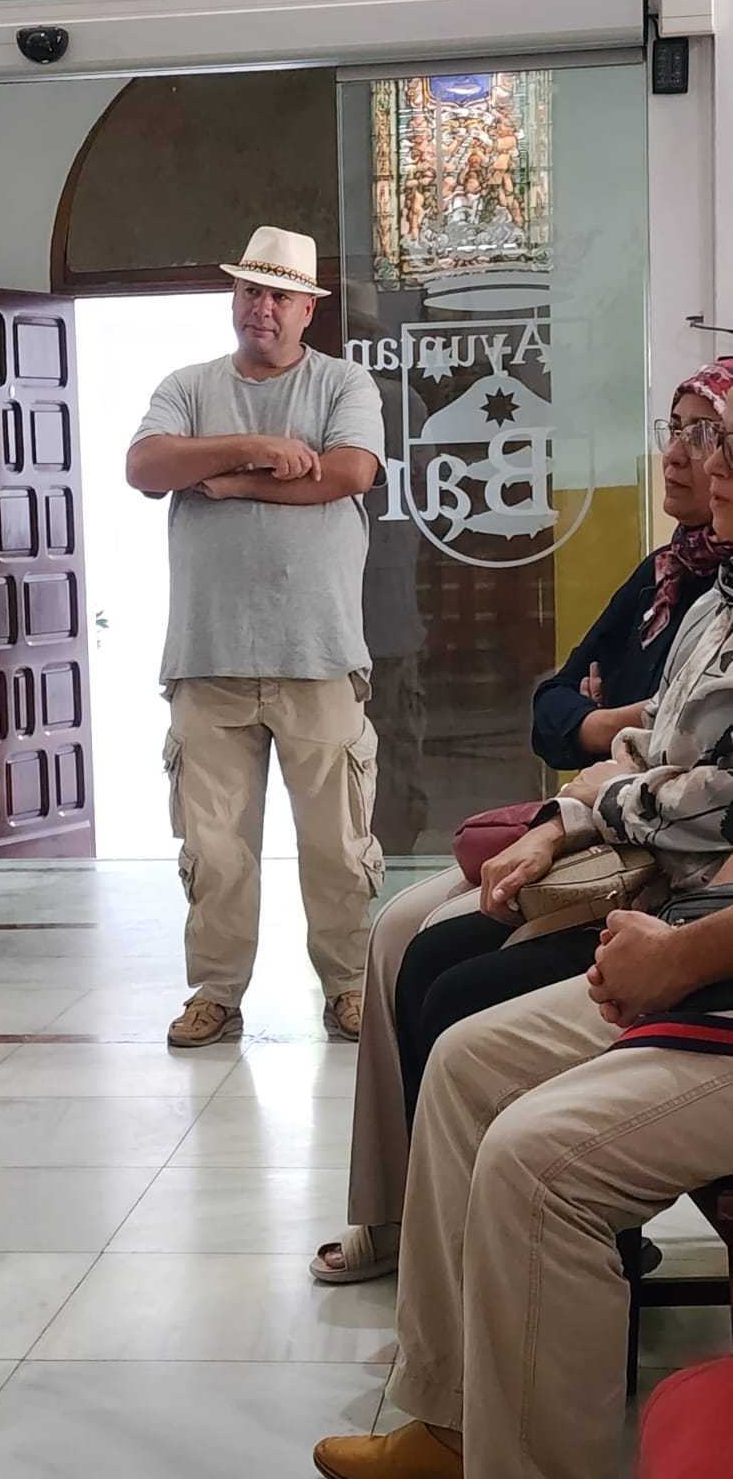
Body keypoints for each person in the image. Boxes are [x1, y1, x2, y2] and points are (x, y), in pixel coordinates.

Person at [311, 394, 733, 1479]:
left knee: (529, 1152)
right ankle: (450, 1417)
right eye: (697, 435)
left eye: (720, 437)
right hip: (677, 905)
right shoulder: (707, 597)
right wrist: (582, 799)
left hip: (697, 937)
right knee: (451, 1031)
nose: (701, 460)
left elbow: (702, 796)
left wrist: (677, 944)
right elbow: (589, 724)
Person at [126, 226, 386, 1048]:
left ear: (309, 308)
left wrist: (231, 483)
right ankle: (216, 994)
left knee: (337, 844)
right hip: (208, 660)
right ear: (233, 299)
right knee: (214, 850)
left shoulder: (343, 382)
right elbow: (146, 466)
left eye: (279, 295)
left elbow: (350, 472)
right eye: (249, 291)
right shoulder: (188, 386)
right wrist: (259, 448)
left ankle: (349, 987)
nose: (262, 307)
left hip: (319, 656)